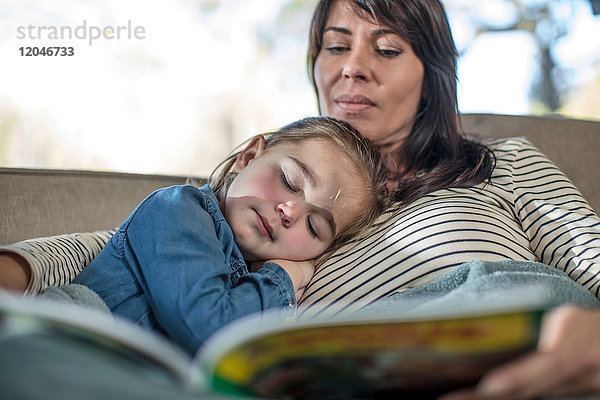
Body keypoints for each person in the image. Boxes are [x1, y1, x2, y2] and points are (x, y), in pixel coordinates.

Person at [1, 0, 600, 397]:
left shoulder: (504, 161)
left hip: (478, 331)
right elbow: (134, 245)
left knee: (527, 294)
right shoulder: (260, 196)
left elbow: (589, 259)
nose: (353, 69)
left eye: (387, 49)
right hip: (286, 374)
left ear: (433, 73)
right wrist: (23, 265)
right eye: (336, 46)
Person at [47, 116, 389, 356]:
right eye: (289, 181)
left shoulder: (249, 286)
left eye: (314, 227)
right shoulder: (177, 208)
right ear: (249, 156)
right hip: (62, 344)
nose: (290, 211)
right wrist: (283, 278)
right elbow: (207, 328)